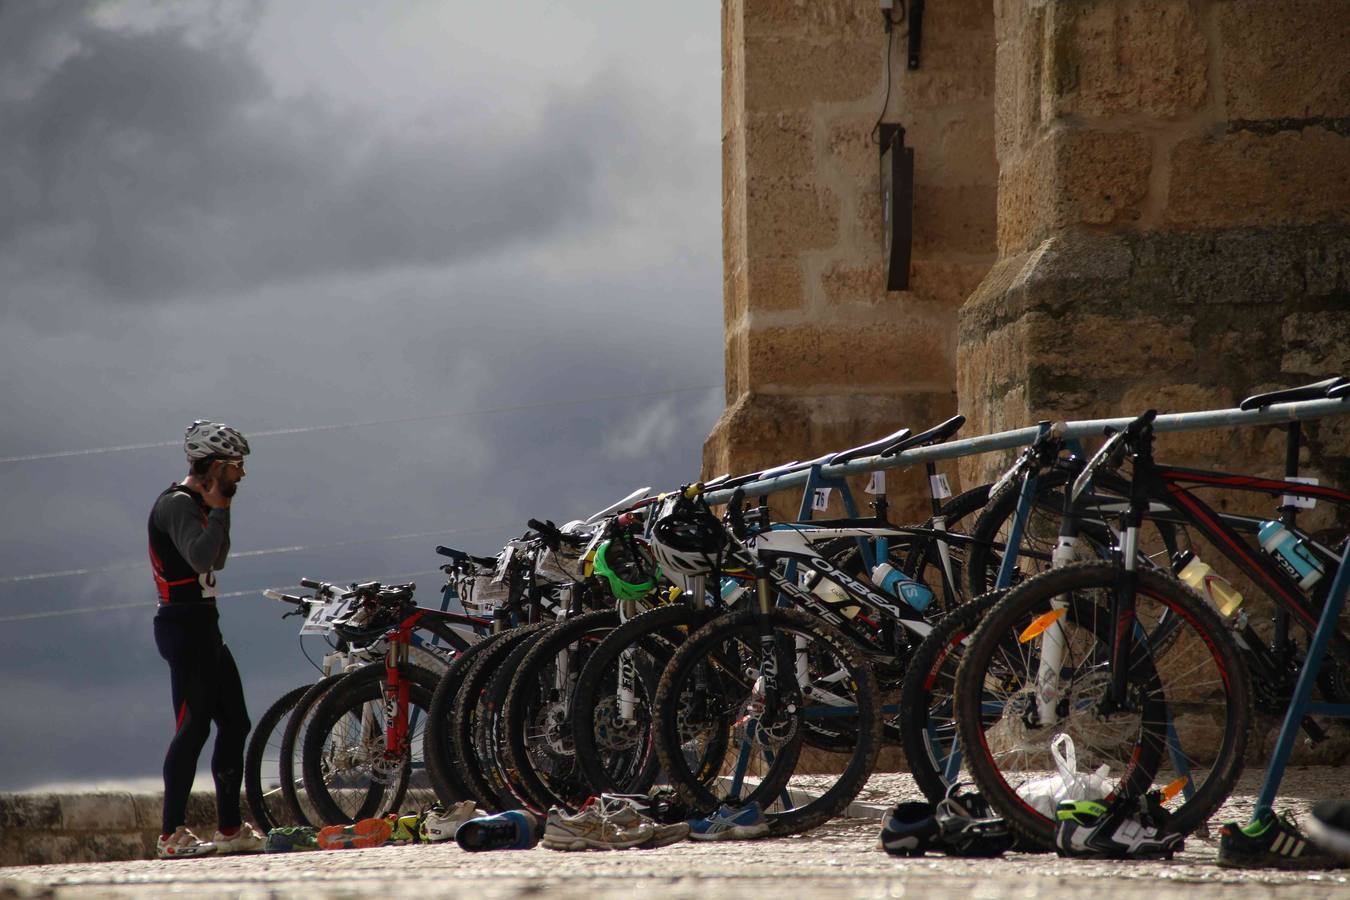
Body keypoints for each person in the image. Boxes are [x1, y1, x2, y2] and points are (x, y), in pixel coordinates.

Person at [149, 420, 263, 858]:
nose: (242, 475)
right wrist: (218, 508)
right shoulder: (177, 504)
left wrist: (220, 506)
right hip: (181, 624)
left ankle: (230, 829)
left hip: (204, 622)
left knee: (235, 722)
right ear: (215, 466)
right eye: (236, 466)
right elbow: (200, 558)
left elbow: (220, 557)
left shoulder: (205, 502)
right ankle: (170, 834)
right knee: (193, 725)